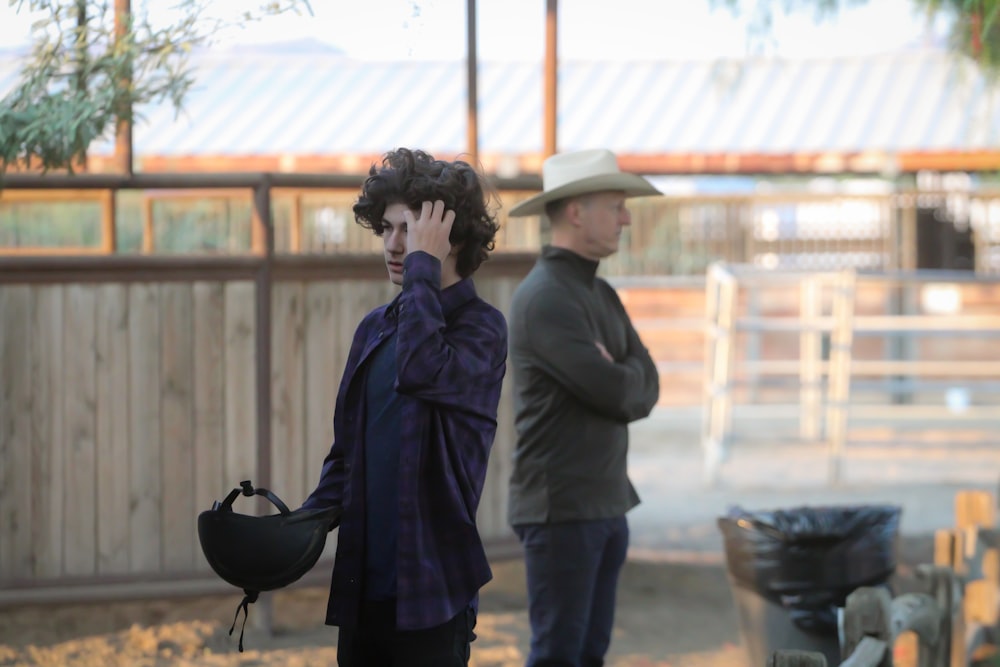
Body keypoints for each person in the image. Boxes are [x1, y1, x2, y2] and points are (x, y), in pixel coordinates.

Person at [300, 147, 508, 667]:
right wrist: (300, 528)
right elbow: (349, 453)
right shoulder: (376, 327)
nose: (394, 246)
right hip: (363, 591)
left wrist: (423, 269)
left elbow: (422, 368)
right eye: (386, 230)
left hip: (432, 594)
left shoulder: (482, 329)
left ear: (448, 236)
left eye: (409, 231)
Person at [506, 148, 662, 667]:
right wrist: (624, 375)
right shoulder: (547, 297)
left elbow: (647, 384)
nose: (626, 217)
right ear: (575, 212)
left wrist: (623, 374)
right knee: (558, 655)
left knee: (587, 653)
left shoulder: (596, 292)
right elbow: (621, 392)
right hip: (563, 510)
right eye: (615, 205)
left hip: (600, 504)